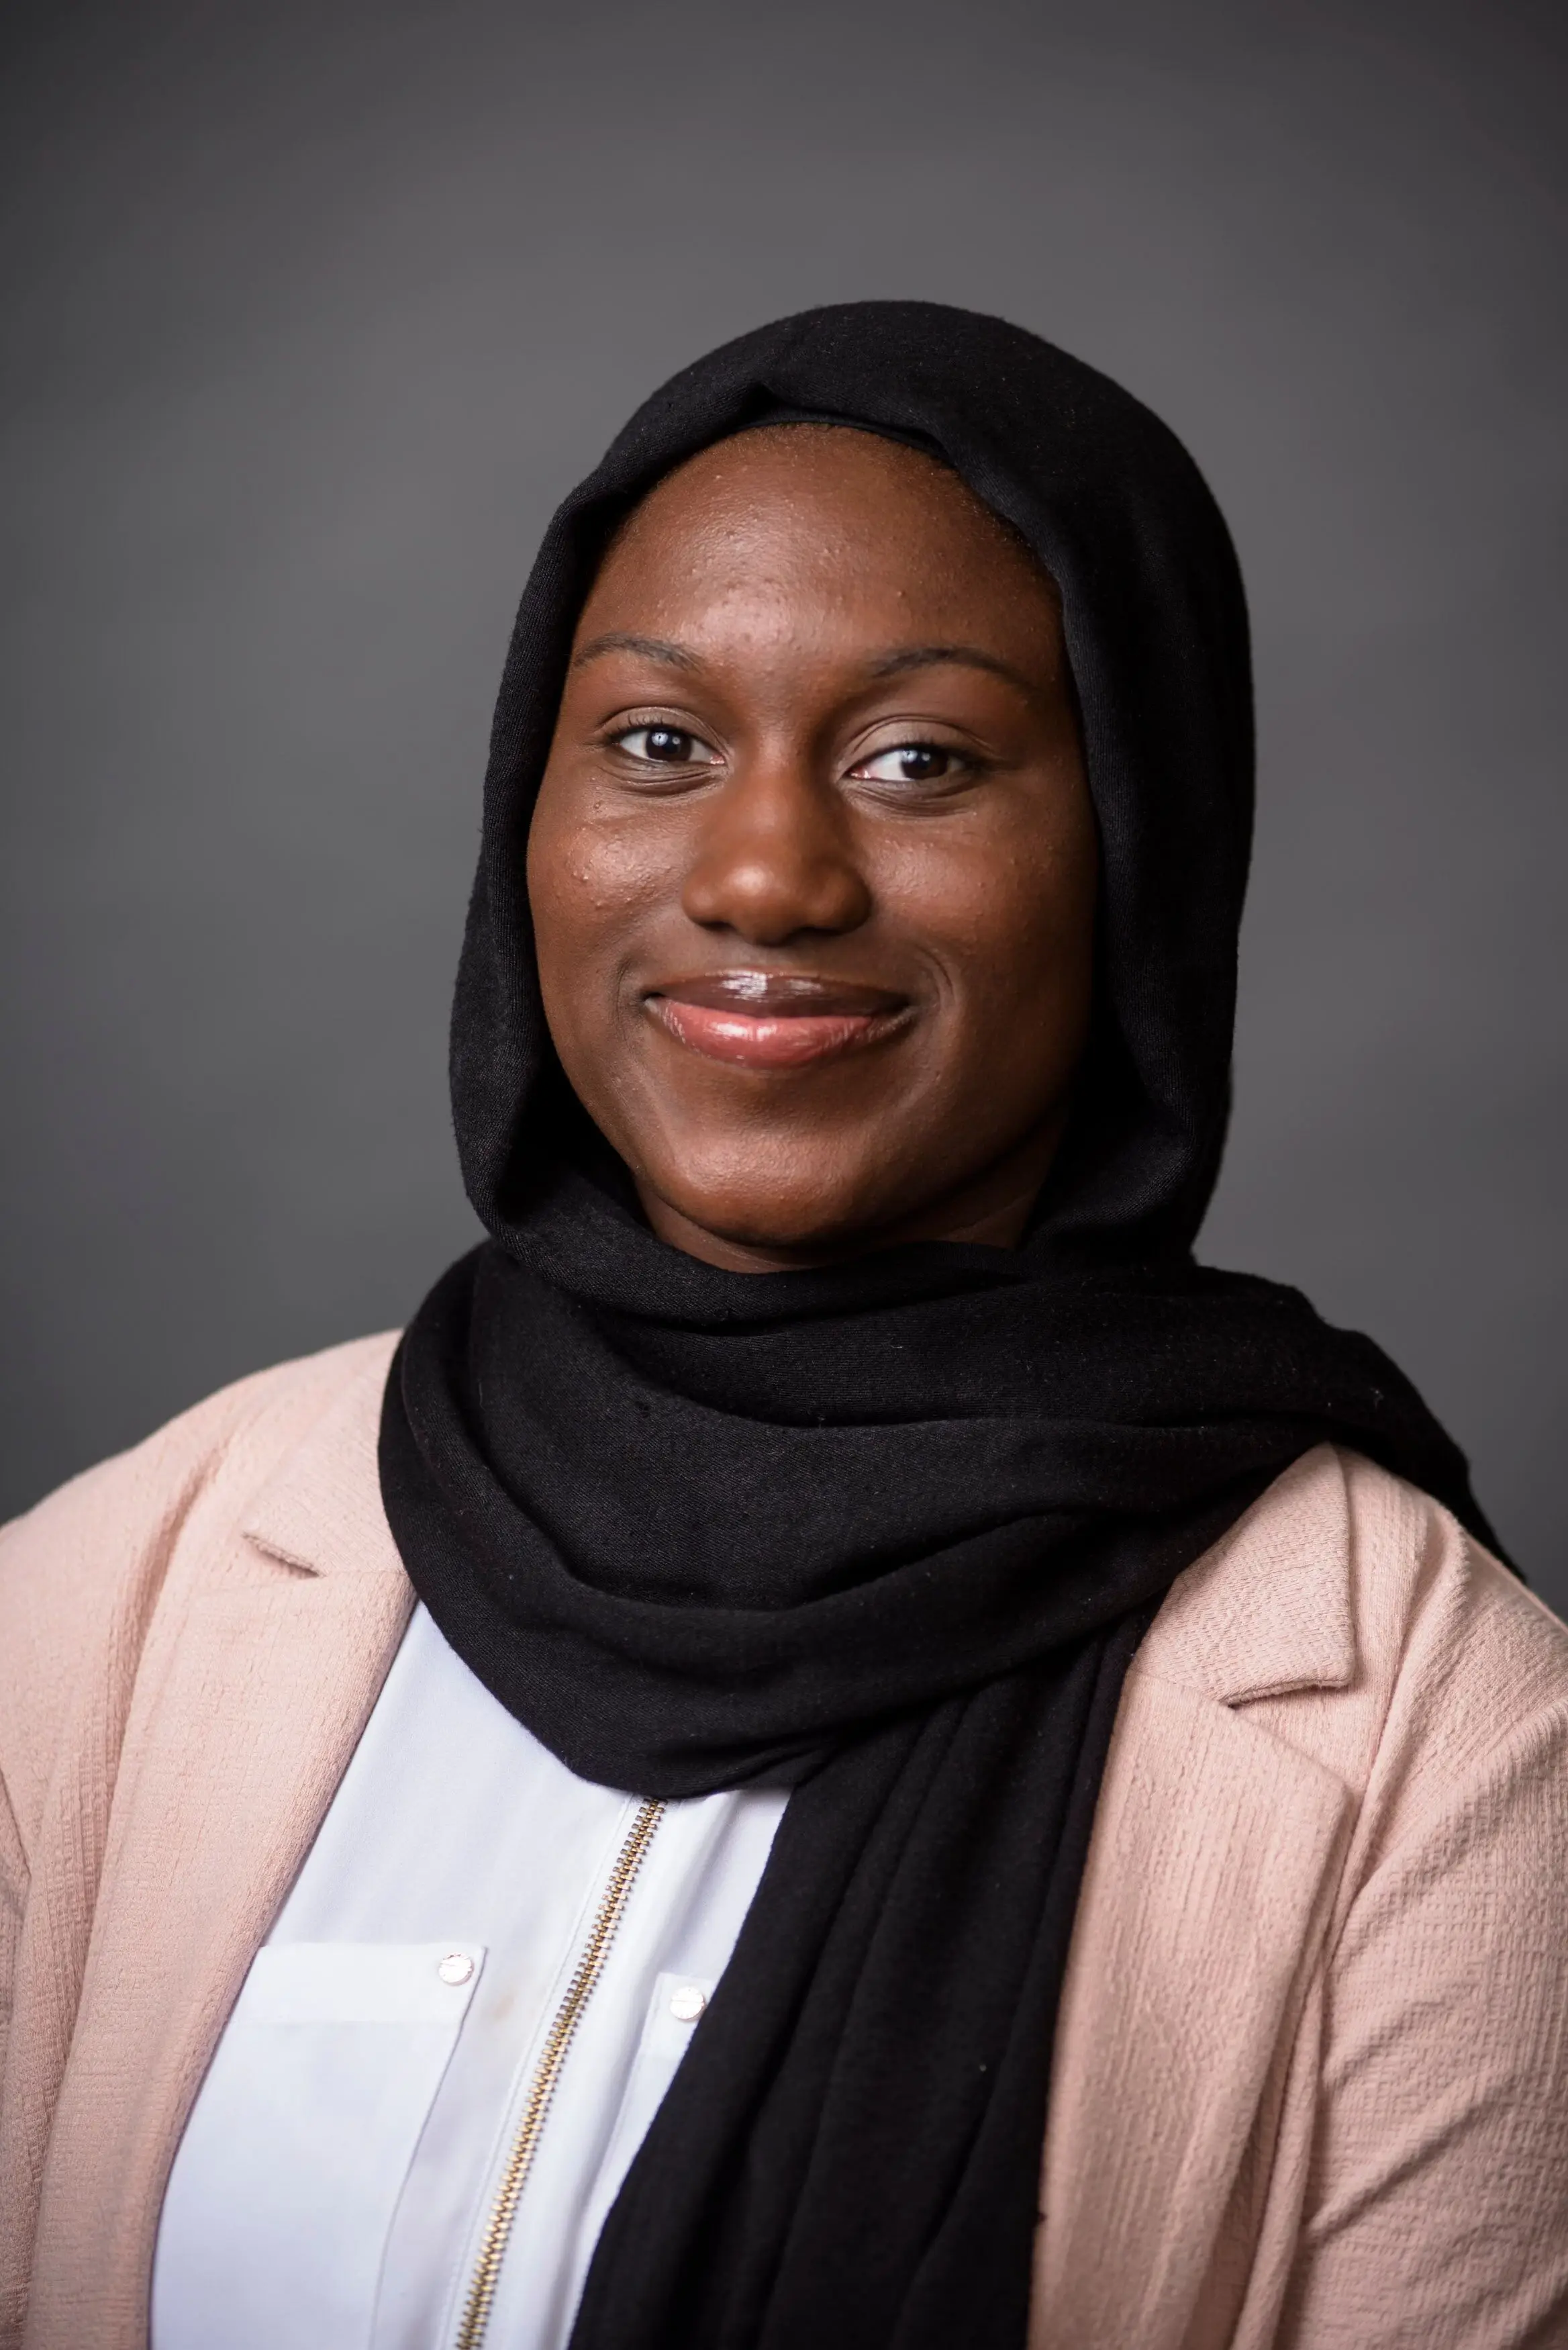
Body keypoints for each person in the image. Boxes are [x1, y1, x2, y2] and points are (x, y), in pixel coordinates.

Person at [2, 303, 1566, 2350]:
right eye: (658, 743)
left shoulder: (1444, 1745)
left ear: (1137, 845)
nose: (763, 876)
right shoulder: (109, 1606)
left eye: (921, 760)